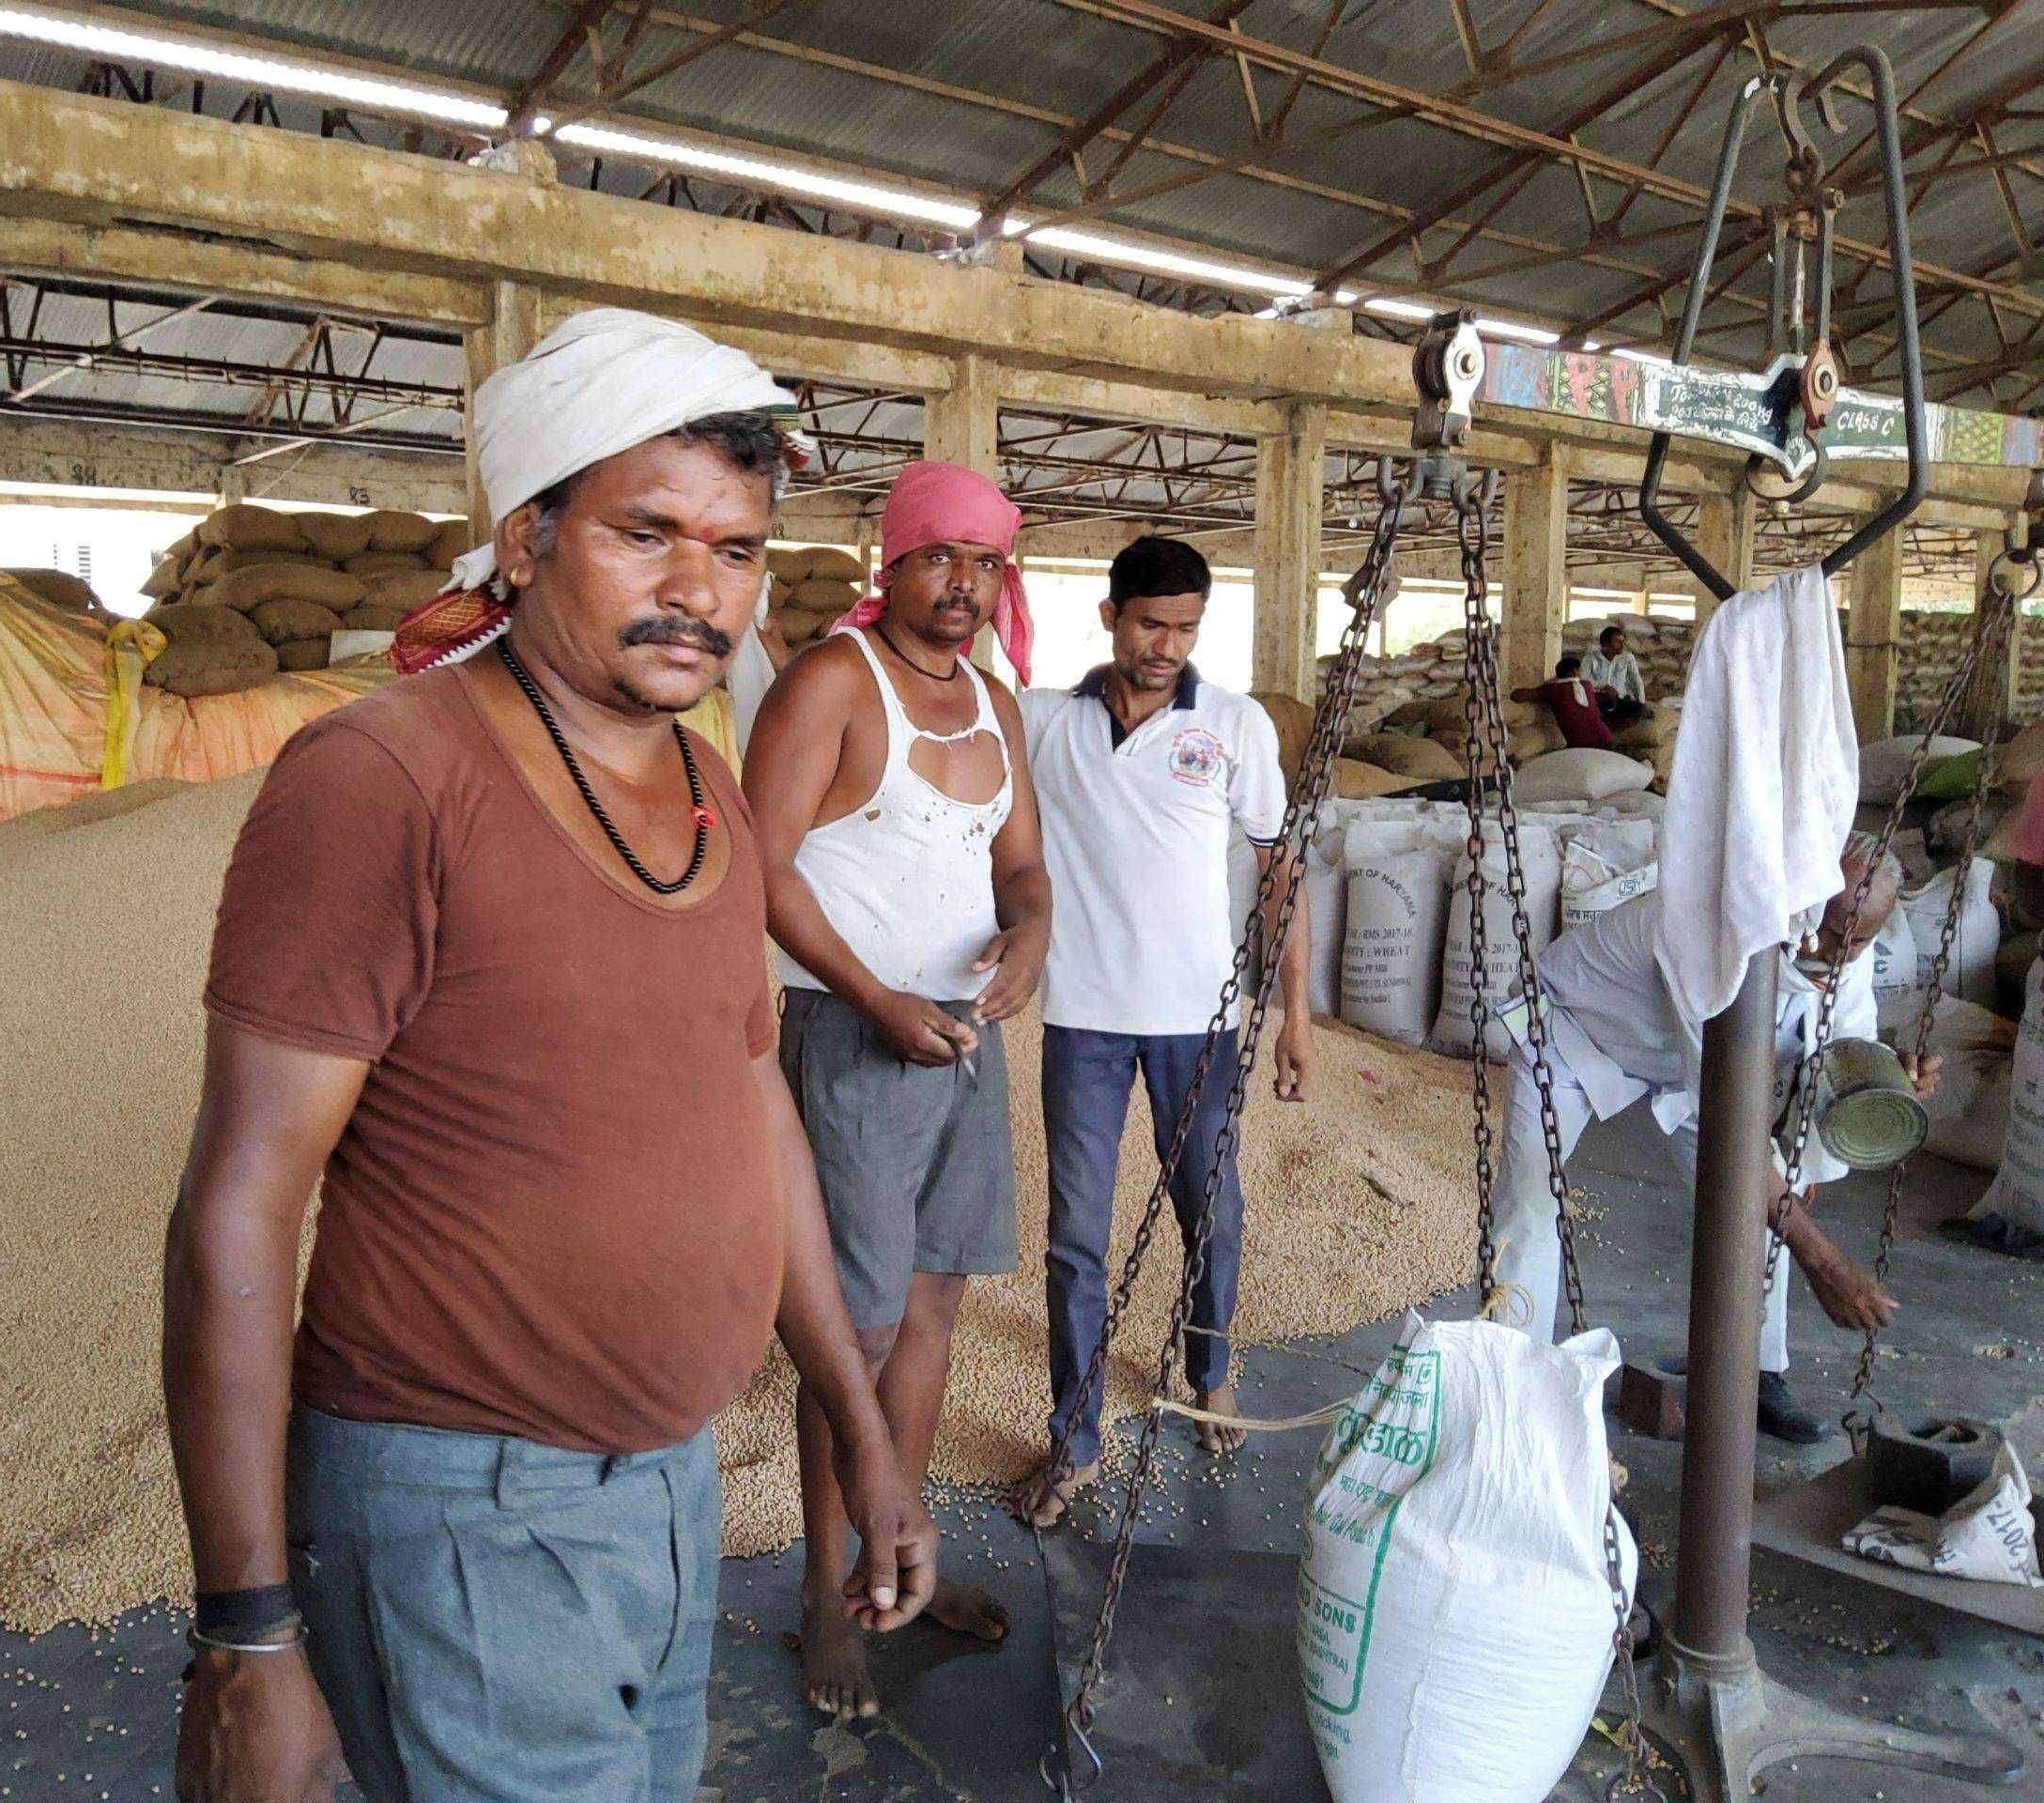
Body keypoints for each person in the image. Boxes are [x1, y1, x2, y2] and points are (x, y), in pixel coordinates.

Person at [162, 309, 938, 1803]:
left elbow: (754, 1104)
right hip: (464, 1511)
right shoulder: (384, 781)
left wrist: (860, 1425)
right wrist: (247, 1635)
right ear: (523, 540)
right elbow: (239, 1206)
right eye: (646, 536)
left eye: (735, 550)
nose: (697, 591)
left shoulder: (710, 790)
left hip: (669, 1487)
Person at [743, 457, 1050, 1718]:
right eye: (937, 558)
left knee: (930, 1312)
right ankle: (827, 1596)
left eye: (983, 563)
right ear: (893, 562)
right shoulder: (834, 681)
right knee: (853, 1330)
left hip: (964, 1041)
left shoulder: (994, 705)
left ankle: (897, 1556)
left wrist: (1030, 940)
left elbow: (1021, 869)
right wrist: (875, 1000)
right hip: (850, 1035)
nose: (961, 585)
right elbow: (759, 870)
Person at [1006, 535, 1314, 1529]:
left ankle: (1208, 1368)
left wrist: (1296, 1015)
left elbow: (1278, 870)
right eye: (1149, 623)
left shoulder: (1233, 724)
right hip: (1082, 1022)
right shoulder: (1045, 723)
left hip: (1201, 1022)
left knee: (1209, 1210)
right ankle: (1075, 1438)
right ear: (1109, 617)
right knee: (1074, 1239)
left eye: (1185, 627)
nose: (1166, 645)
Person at [1494, 835, 1939, 1442]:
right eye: (1833, 931)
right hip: (1572, 1032)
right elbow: (1727, 1121)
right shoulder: (1712, 935)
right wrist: (1825, 1261)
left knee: (1764, 1209)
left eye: (1859, 940)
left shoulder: (1844, 951)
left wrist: (1889, 1079)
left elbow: (1842, 1052)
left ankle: (1758, 1376)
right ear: (1800, 896)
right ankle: (1508, 1387)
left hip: (1683, 1066)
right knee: (1529, 1203)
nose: (1841, 953)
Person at [1512, 655, 1617, 752]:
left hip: (1580, 745)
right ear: (1574, 672)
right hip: (1605, 739)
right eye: (1580, 670)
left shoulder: (1553, 689)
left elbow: (1517, 696)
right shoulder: (1586, 685)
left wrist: (1549, 684)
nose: (1581, 674)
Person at [1581, 624, 1651, 725]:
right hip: (1599, 701)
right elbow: (1582, 682)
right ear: (1605, 644)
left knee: (1639, 709)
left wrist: (1642, 703)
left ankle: (1612, 722)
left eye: (1622, 641)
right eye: (1618, 641)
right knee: (1593, 714)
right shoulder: (1590, 659)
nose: (1622, 645)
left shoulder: (1627, 657)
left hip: (1620, 702)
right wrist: (1603, 686)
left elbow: (1636, 681)